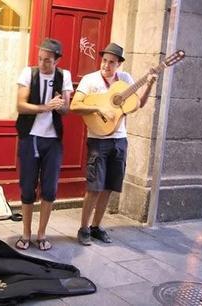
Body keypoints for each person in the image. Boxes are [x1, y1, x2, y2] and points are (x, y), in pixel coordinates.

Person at [70, 43, 158, 245]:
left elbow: (138, 104)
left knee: (108, 186)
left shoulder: (125, 80)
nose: (106, 65)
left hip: (119, 140)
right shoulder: (90, 79)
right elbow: (75, 105)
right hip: (98, 140)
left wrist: (150, 84)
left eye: (111, 62)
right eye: (104, 60)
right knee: (94, 187)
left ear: (119, 64)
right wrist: (98, 110)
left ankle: (96, 227)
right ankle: (83, 228)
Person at [15, 38, 73, 251]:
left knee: (49, 188)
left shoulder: (64, 76)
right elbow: (20, 105)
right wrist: (45, 107)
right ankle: (26, 234)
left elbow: (67, 109)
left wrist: (60, 106)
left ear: (57, 60)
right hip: (30, 136)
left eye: (47, 60)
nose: (42, 63)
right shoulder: (28, 73)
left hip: (53, 140)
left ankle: (41, 234)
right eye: (40, 59)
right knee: (27, 186)